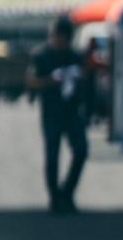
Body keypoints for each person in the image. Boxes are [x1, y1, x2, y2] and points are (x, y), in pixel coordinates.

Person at [27, 16, 88, 214]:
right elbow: (31, 81)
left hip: (72, 110)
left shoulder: (75, 56)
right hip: (51, 110)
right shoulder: (41, 55)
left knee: (81, 150)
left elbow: (86, 79)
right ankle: (54, 197)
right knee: (52, 155)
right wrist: (51, 80)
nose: (59, 42)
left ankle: (67, 192)